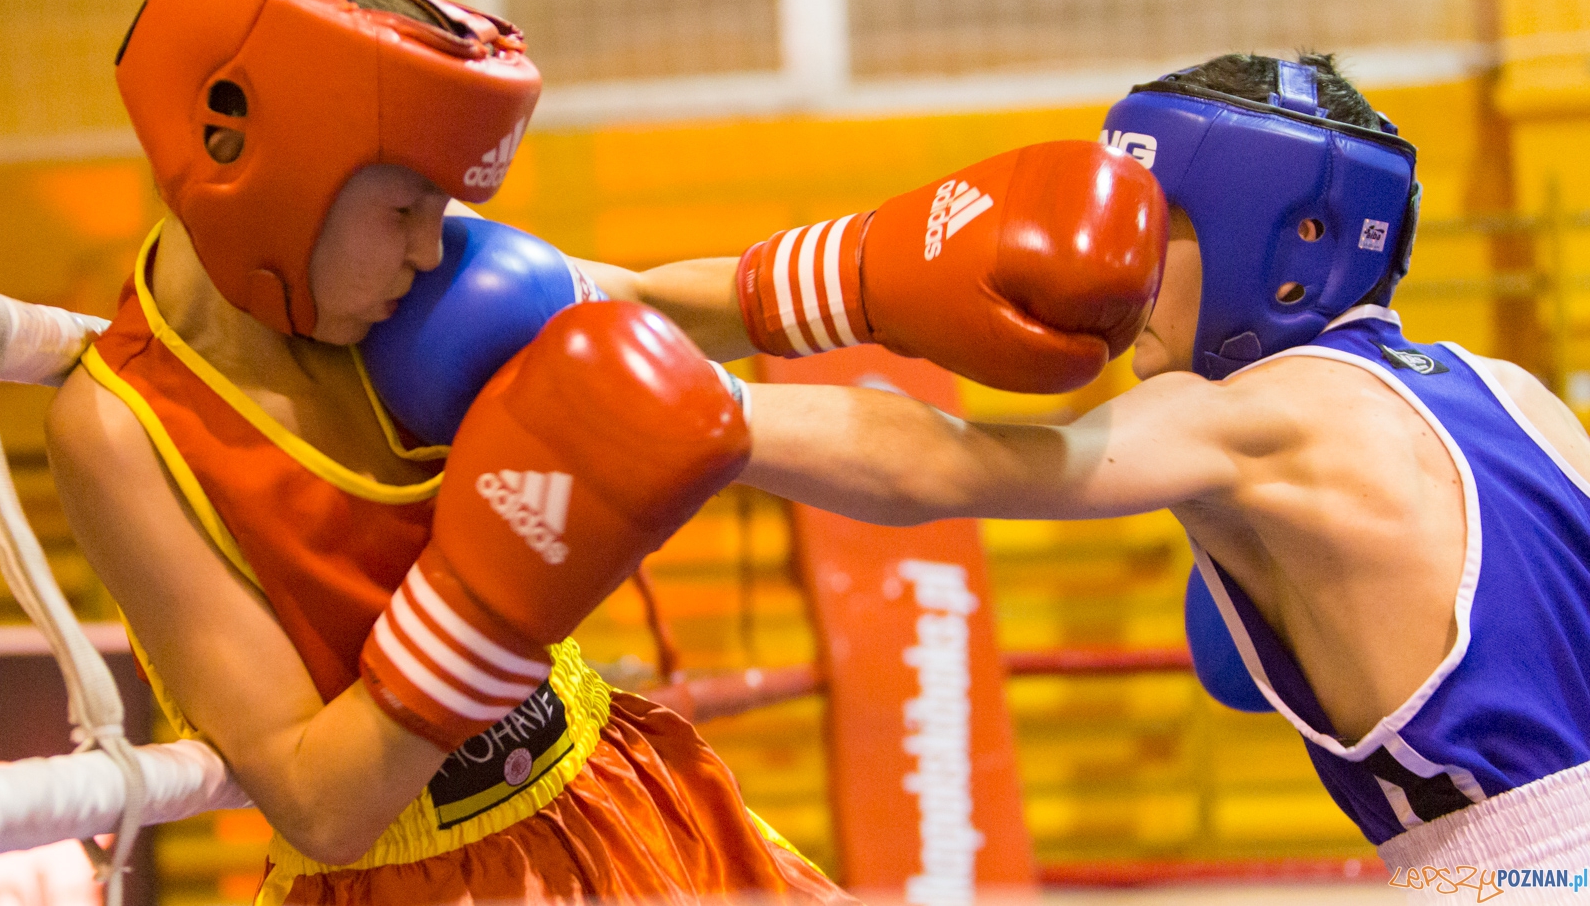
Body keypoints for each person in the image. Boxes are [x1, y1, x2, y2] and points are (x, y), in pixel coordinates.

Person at [571, 53, 1590, 891]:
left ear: (1285, 242)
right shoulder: (1508, 392)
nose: (1124, 268)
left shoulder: (1248, 418)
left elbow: (947, 463)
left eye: (1162, 229)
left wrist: (681, 401)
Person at [43, 0, 843, 905]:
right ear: (259, 162)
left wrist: (884, 276)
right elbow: (321, 805)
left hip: (616, 790)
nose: (436, 244)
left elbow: (659, 308)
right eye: (405, 208)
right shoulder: (118, 425)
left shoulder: (386, 290)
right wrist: (484, 604)